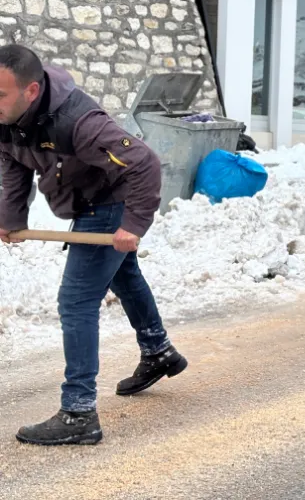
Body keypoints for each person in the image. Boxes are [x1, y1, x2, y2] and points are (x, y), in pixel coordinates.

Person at [0, 45, 187, 445]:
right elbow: (13, 161)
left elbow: (145, 163)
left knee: (76, 300)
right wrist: (12, 217)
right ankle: (158, 350)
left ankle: (79, 411)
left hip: (111, 201)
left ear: (31, 91)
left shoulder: (79, 122)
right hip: (85, 198)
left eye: (0, 94)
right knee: (124, 276)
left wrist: (134, 223)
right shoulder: (7, 116)